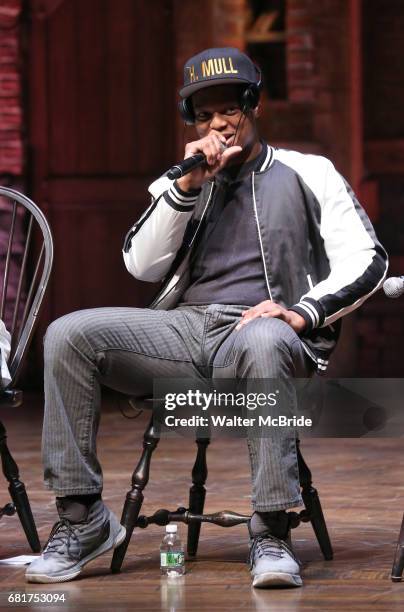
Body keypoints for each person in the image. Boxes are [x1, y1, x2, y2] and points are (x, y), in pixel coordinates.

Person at [26, 47, 388, 587]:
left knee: (264, 339)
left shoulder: (308, 172)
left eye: (229, 109)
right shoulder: (183, 184)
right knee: (69, 333)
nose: (217, 123)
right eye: (202, 114)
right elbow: (140, 265)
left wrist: (302, 313)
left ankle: (270, 530)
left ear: (253, 104)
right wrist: (185, 190)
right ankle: (82, 519)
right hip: (186, 328)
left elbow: (368, 258)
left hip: (264, 331)